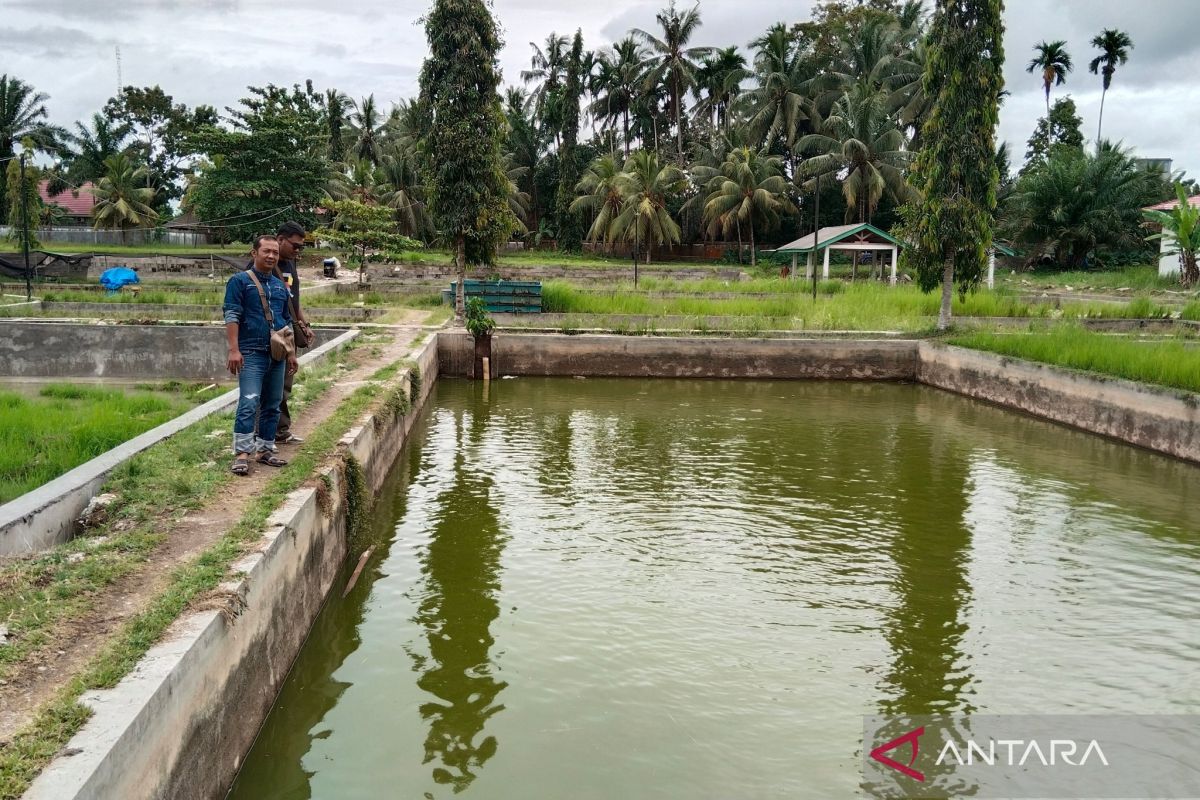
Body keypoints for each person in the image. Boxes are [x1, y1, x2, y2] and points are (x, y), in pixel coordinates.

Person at [225, 235, 298, 476]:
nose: (271, 256)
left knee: (272, 403)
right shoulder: (239, 282)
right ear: (254, 253)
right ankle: (242, 453)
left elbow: (285, 322)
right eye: (266, 251)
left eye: (275, 253)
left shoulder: (279, 286)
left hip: (276, 353)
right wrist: (234, 350)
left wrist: (291, 354)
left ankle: (265, 449)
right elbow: (232, 315)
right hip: (251, 351)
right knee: (249, 401)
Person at [244, 220, 312, 444]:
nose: (297, 250)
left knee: (282, 386)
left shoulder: (291, 265)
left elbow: (292, 299)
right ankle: (258, 435)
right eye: (295, 245)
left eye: (301, 247)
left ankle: (279, 431)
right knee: (263, 388)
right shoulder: (257, 271)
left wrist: (304, 324)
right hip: (266, 336)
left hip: (286, 333)